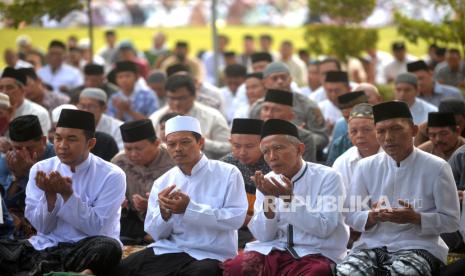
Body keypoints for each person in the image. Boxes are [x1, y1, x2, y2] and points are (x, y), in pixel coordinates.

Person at [337, 101, 460, 275]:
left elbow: (451, 221)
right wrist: (372, 216)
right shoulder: (365, 166)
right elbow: (350, 214)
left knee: (404, 273)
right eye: (381, 131)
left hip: (419, 246)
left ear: (414, 131)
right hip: (373, 244)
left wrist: (416, 218)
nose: (388, 137)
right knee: (346, 272)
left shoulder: (437, 167)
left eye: (396, 129)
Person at [115, 115, 247, 276]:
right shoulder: (163, 181)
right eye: (171, 144)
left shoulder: (228, 173)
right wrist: (164, 215)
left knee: (200, 273)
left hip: (211, 252)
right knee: (124, 268)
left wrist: (189, 209)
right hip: (172, 248)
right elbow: (155, 234)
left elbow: (235, 219)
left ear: (200, 142)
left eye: (185, 142)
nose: (178, 148)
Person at [0, 109, 126, 275]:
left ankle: (40, 269)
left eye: (71, 139)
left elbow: (96, 228)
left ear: (90, 143)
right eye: (58, 138)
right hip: (45, 245)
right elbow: (42, 228)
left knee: (110, 248)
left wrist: (68, 195)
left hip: (84, 247)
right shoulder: (41, 169)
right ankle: (57, 270)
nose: (62, 145)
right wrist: (50, 198)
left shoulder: (112, 175)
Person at [223, 119, 348, 276]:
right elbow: (264, 236)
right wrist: (269, 200)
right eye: (266, 151)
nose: (272, 157)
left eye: (278, 148)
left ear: (299, 149)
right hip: (276, 249)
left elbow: (324, 228)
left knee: (316, 272)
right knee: (235, 267)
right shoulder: (266, 180)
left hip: (316, 251)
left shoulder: (328, 177)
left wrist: (288, 200)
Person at [113, 119, 174, 245]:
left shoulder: (173, 160)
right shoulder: (118, 163)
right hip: (133, 221)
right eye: (128, 149)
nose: (133, 154)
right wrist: (121, 204)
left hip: (168, 219)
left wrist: (151, 205)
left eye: (139, 149)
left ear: (156, 143)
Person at [249, 62, 328, 151]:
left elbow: (323, 138)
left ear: (290, 79)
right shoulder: (257, 108)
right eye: (274, 78)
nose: (280, 81)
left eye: (283, 77)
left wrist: (299, 135)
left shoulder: (308, 105)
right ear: (265, 82)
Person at [150, 74, 230, 159]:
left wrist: (202, 143)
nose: (176, 103)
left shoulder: (213, 117)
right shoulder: (156, 118)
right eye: (172, 98)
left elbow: (228, 148)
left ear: (194, 95)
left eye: (182, 98)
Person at [0, 115, 55, 238]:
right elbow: (5, 204)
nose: (23, 153)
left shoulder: (57, 159)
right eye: (18, 148)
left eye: (30, 148)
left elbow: (50, 205)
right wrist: (17, 177)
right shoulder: (8, 159)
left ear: (43, 140)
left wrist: (31, 172)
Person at [221, 118, 271, 248]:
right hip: (232, 227)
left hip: (266, 228)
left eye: (249, 146)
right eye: (237, 146)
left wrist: (249, 221)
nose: (242, 152)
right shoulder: (226, 164)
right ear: (230, 142)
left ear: (263, 144)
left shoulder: (274, 166)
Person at [332, 103, 380, 192]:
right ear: (348, 134)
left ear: (379, 130)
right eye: (354, 131)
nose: (360, 135)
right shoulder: (342, 163)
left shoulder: (393, 156)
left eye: (367, 130)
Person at [260, 89, 317, 162]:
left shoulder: (303, 137)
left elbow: (306, 167)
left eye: (276, 110)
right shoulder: (253, 134)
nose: (268, 114)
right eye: (265, 109)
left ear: (291, 116)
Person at [1, 67, 51, 134]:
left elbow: (36, 143)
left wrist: (11, 120)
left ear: (23, 90)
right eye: (0, 88)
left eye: (10, 87)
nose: (4, 92)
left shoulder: (37, 113)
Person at [326, 91, 369, 166]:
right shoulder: (339, 144)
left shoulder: (385, 139)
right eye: (346, 117)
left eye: (355, 116)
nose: (351, 121)